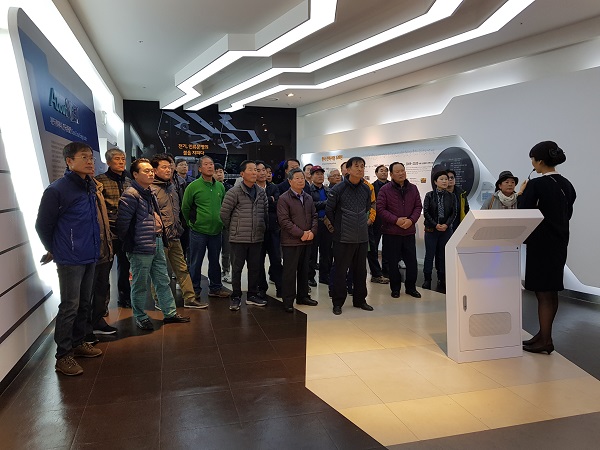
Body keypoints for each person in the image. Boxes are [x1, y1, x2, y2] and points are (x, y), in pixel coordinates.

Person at [35, 142, 103, 376]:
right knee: (69, 306)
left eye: (91, 157)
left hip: (90, 254)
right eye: (84, 157)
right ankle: (63, 356)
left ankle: (78, 342)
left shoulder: (89, 186)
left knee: (85, 303)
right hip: (70, 258)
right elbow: (43, 225)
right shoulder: (57, 190)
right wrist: (54, 249)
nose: (90, 161)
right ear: (69, 161)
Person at [116, 158, 190, 330]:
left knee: (162, 279)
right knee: (140, 283)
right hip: (140, 245)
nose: (150, 173)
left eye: (151, 170)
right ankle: (140, 316)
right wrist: (132, 243)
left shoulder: (149, 192)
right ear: (135, 174)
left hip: (156, 240)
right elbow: (122, 225)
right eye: (146, 171)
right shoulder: (130, 194)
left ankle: (169, 313)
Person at [518, 141, 576, 354]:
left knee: (543, 293)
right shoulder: (567, 184)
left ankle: (545, 340)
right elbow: (567, 213)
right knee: (550, 291)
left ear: (540, 161)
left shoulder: (537, 184)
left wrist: (521, 193)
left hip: (541, 244)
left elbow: (524, 212)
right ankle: (544, 335)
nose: (532, 164)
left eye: (533, 160)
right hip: (559, 243)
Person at [150, 154, 207, 309]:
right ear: (154, 170)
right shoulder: (150, 189)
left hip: (174, 235)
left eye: (169, 167)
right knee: (161, 271)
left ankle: (189, 298)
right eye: (164, 167)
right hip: (159, 237)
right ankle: (159, 300)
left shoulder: (172, 187)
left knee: (182, 268)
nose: (168, 170)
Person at [326, 156, 374, 315]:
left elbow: (367, 208)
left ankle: (360, 300)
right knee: (341, 271)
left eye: (362, 166)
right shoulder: (338, 189)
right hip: (343, 237)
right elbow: (329, 211)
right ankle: (338, 302)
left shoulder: (366, 189)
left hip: (362, 236)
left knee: (361, 271)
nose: (360, 169)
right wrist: (338, 228)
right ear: (348, 169)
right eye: (356, 166)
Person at [220, 160, 269, 311]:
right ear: (242, 174)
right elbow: (224, 214)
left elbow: (265, 213)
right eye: (251, 170)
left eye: (256, 170)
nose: (255, 172)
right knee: (237, 269)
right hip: (238, 238)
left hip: (256, 237)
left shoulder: (261, 192)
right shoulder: (234, 192)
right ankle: (235, 296)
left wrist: (262, 228)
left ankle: (252, 295)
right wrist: (234, 229)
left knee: (255, 268)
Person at [181, 156, 230, 301]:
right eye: (206, 164)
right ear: (200, 169)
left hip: (216, 231)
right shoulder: (193, 186)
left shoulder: (220, 186)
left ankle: (215, 288)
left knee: (215, 261)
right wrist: (192, 223)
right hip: (198, 231)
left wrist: (221, 223)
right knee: (196, 262)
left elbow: (223, 206)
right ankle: (194, 289)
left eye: (211, 164)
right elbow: (185, 207)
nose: (210, 166)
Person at [377, 162, 422, 299]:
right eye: (397, 171)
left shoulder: (413, 188)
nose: (401, 173)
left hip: (408, 231)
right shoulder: (385, 189)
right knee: (393, 262)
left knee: (411, 262)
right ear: (391, 174)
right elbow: (380, 209)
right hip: (392, 232)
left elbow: (418, 206)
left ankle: (411, 288)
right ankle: (395, 288)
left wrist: (411, 220)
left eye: (403, 170)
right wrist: (396, 220)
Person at [278, 168, 319, 312]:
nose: (301, 180)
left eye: (302, 178)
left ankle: (303, 296)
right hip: (291, 241)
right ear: (290, 181)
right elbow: (284, 221)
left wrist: (312, 232)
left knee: (304, 270)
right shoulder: (284, 198)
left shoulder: (308, 197)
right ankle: (288, 300)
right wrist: (301, 233)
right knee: (290, 272)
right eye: (297, 178)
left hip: (307, 239)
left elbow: (314, 216)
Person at [95, 148, 131, 308]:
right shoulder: (99, 181)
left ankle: (125, 298)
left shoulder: (129, 180)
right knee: (104, 270)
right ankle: (102, 306)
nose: (121, 161)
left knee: (125, 267)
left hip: (126, 231)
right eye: (117, 159)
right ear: (108, 162)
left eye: (123, 158)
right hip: (108, 232)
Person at [89, 176, 116, 336]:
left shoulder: (97, 187)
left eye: (92, 163)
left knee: (101, 286)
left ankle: (97, 321)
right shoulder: (65, 189)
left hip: (104, 246)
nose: (90, 165)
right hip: (86, 251)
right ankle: (84, 331)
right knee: (86, 293)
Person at [422, 170, 456, 292]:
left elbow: (453, 213)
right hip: (431, 229)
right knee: (429, 255)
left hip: (445, 230)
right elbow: (426, 212)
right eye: (442, 179)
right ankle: (427, 279)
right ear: (435, 182)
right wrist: (435, 224)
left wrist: (446, 225)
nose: (445, 181)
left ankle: (442, 278)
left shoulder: (451, 196)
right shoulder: (429, 195)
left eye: (446, 179)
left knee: (443, 255)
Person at [256, 160, 283, 297]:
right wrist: (270, 200)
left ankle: (280, 287)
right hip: (257, 230)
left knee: (276, 259)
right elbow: (255, 206)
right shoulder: (251, 188)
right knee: (258, 261)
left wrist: (270, 201)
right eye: (258, 170)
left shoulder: (273, 187)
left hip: (273, 229)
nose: (262, 173)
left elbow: (277, 205)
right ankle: (261, 288)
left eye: (264, 170)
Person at [309, 165, 332, 285]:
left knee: (326, 252)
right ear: (311, 176)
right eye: (317, 174)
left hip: (326, 223)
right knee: (312, 252)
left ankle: (324, 276)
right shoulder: (309, 190)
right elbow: (311, 205)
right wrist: (326, 203)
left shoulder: (328, 190)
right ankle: (310, 276)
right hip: (314, 223)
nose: (320, 176)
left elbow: (332, 205)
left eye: (321, 174)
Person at [368, 165, 389, 284]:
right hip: (375, 220)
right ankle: (375, 271)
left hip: (389, 220)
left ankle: (386, 269)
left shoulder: (392, 185)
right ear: (376, 173)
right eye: (381, 171)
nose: (384, 173)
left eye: (386, 171)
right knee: (373, 247)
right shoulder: (371, 187)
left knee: (388, 246)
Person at [214, 163, 233, 282]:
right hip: (214, 223)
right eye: (216, 172)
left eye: (221, 171)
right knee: (214, 251)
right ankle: (215, 273)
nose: (219, 174)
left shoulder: (230, 188)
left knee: (227, 250)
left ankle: (226, 271)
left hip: (226, 223)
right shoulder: (210, 188)